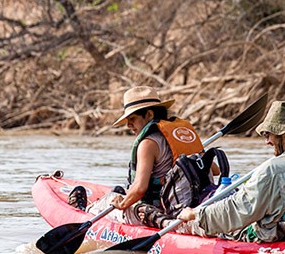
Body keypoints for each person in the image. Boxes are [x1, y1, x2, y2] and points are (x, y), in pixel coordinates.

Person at [174, 100, 285, 242]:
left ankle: (165, 222)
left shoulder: (271, 169)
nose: (267, 141)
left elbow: (238, 210)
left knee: (183, 225)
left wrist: (195, 214)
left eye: (268, 134)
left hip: (267, 234)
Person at [68, 86, 208, 227]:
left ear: (149, 115)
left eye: (132, 119)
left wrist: (121, 203)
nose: (129, 125)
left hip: (160, 213)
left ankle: (83, 211)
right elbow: (214, 170)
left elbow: (140, 188)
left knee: (109, 200)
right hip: (195, 207)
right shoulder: (182, 136)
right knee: (121, 190)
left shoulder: (148, 143)